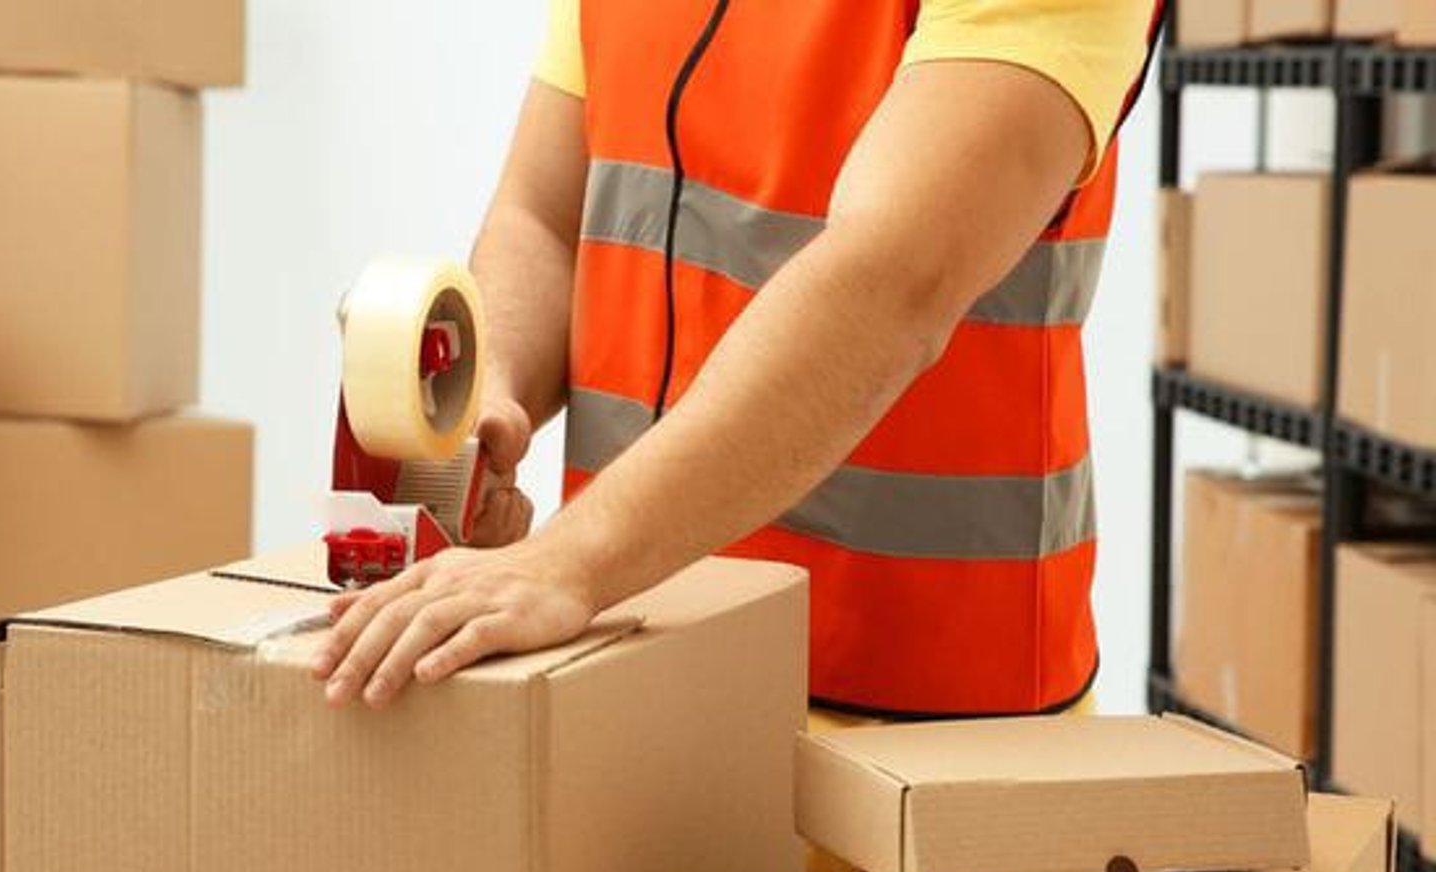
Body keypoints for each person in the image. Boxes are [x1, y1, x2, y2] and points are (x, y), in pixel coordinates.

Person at [314, 1, 1158, 722]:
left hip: (925, 735)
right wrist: (490, 395)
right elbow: (541, 214)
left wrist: (568, 560)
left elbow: (898, 277)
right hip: (628, 675)